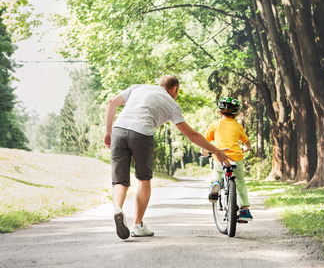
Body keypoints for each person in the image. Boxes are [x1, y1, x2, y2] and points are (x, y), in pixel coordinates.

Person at [104, 75, 233, 240]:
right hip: (141, 133)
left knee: (119, 181)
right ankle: (137, 224)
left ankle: (118, 209)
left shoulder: (138, 87)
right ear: (175, 89)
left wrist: (108, 131)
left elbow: (112, 102)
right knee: (144, 180)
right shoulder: (172, 104)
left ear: (159, 84)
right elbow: (192, 135)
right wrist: (216, 151)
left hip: (119, 130)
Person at [201, 97, 253, 221]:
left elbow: (205, 142)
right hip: (236, 157)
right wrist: (246, 148)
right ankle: (245, 210)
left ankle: (215, 183)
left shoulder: (215, 125)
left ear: (220, 113)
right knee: (240, 182)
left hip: (220, 155)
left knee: (217, 172)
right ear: (235, 114)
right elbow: (247, 142)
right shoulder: (238, 126)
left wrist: (205, 153)